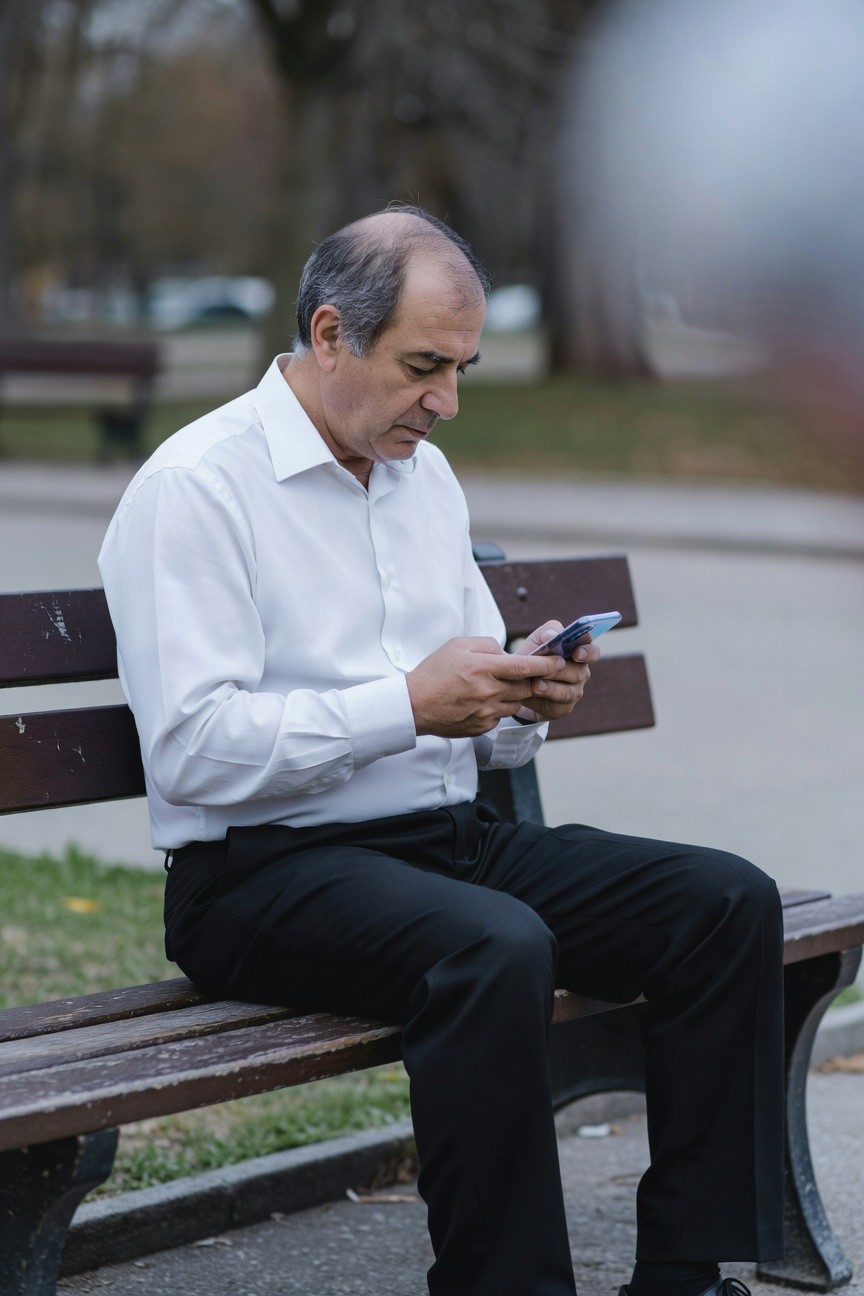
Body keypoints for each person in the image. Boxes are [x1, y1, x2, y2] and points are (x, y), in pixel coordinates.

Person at [98, 204, 784, 1296]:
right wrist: (408, 706)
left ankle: (687, 1276)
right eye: (426, 367)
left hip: (440, 842)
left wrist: (523, 694)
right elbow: (191, 751)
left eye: (460, 369)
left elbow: (470, 718)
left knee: (725, 903)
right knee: (494, 948)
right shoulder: (196, 489)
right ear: (331, 335)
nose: (447, 403)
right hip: (261, 876)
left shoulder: (423, 475)